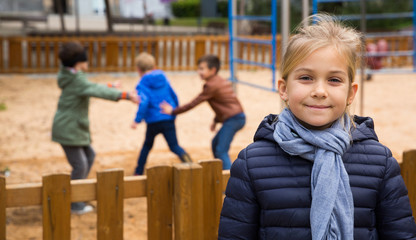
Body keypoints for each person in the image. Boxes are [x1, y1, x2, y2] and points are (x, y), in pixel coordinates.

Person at [218, 14, 416, 239]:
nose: (320, 91)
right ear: (283, 89)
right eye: (306, 78)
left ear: (351, 93)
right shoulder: (251, 164)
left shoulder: (379, 162)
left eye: (334, 80)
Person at [52, 41, 139, 215]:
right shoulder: (76, 79)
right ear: (79, 62)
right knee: (80, 164)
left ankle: (77, 194)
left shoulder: (71, 75)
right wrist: (125, 95)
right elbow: (92, 89)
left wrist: (109, 85)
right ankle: (74, 203)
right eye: (85, 59)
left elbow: (91, 87)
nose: (88, 62)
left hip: (74, 127)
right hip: (68, 128)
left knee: (89, 156)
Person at [160, 55, 246, 170]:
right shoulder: (218, 80)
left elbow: (193, 103)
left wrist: (173, 111)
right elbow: (224, 103)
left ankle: (228, 179)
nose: (198, 71)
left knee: (221, 150)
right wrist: (216, 120)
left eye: (202, 69)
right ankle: (219, 172)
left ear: (212, 70)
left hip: (235, 119)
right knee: (215, 143)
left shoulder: (211, 85)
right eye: (198, 68)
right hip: (235, 117)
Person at [131, 52, 192, 175]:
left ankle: (138, 171)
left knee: (147, 146)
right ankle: (190, 164)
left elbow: (144, 103)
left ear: (138, 69)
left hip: (153, 121)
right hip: (168, 119)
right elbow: (174, 96)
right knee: (174, 146)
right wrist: (174, 111)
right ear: (154, 66)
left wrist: (137, 120)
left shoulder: (141, 84)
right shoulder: (164, 78)